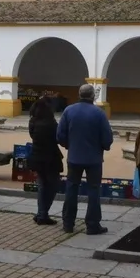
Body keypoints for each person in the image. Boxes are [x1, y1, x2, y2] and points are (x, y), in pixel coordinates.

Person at [56, 83, 113, 235]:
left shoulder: (69, 111)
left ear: (79, 94)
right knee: (94, 190)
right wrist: (103, 147)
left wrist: (69, 145)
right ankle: (93, 224)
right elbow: (107, 138)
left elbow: (60, 135)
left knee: (71, 189)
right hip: (94, 159)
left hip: (74, 157)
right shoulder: (99, 113)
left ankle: (68, 224)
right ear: (93, 96)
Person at [28, 96, 63, 225]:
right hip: (50, 158)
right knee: (53, 185)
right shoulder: (51, 124)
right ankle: (43, 214)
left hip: (36, 157)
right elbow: (59, 138)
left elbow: (32, 136)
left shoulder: (33, 121)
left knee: (42, 185)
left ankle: (41, 213)